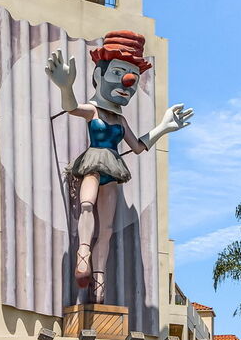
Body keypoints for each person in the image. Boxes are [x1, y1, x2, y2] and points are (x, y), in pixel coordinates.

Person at [45, 30, 193, 302]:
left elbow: (137, 147)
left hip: (112, 168)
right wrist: (65, 87)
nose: (127, 82)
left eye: (133, 78)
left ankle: (98, 276)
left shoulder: (120, 120)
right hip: (93, 162)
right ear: (99, 76)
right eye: (119, 73)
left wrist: (163, 127)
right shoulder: (94, 111)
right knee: (87, 204)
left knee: (109, 227)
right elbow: (72, 108)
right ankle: (83, 254)